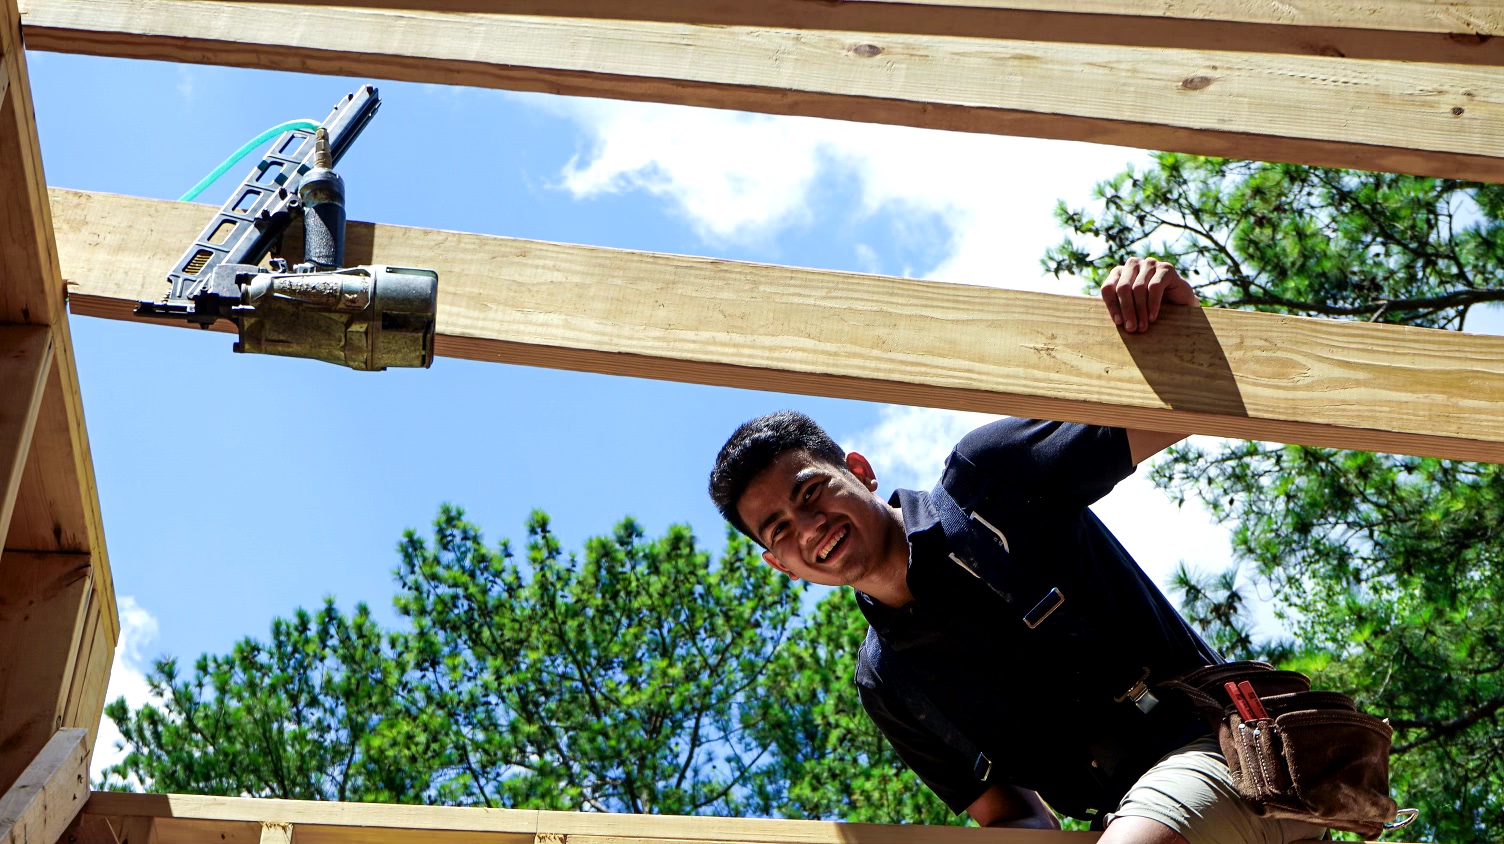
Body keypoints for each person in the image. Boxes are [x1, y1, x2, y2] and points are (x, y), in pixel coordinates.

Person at [708, 259, 1326, 844]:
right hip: (1122, 822)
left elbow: (1184, 402)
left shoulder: (989, 482)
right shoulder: (888, 680)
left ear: (861, 471)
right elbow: (1017, 818)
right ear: (779, 564)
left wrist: (1173, 317)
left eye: (811, 491)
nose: (809, 527)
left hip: (1235, 755)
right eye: (779, 530)